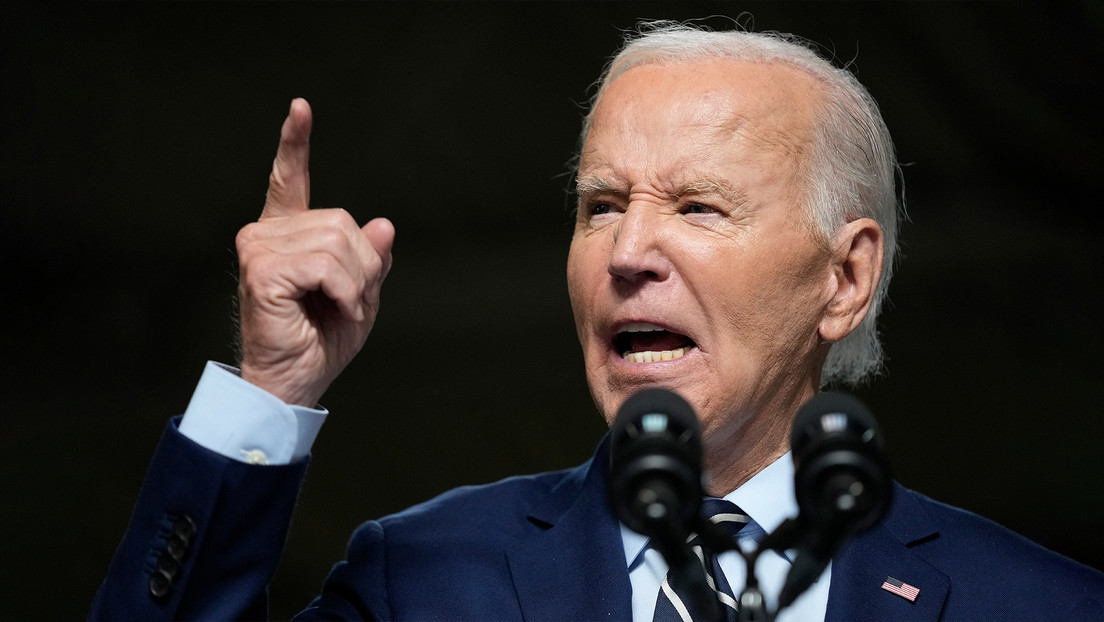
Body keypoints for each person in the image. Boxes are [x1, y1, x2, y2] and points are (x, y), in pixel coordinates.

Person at [90, 22, 1104, 621]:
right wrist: (268, 393)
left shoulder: (1043, 604)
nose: (626, 253)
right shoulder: (427, 579)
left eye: (698, 206)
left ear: (845, 277)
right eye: (601, 205)